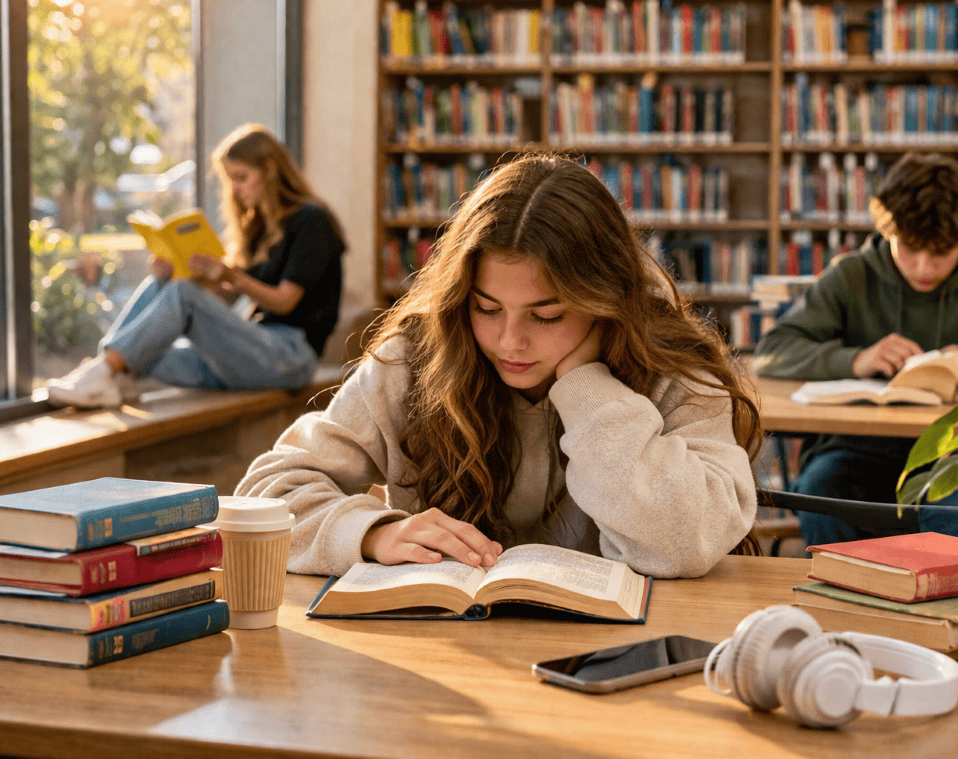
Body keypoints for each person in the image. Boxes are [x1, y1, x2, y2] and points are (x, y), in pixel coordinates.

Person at [234, 153, 761, 579]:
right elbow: (266, 493)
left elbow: (688, 541)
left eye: (547, 314)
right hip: (450, 657)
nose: (510, 341)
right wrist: (372, 533)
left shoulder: (673, 371)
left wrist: (587, 388)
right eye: (486, 308)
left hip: (617, 659)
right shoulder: (422, 353)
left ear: (607, 302)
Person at [753, 152, 958, 548]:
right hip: (859, 448)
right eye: (909, 248)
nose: (924, 267)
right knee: (822, 491)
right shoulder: (852, 273)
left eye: (942, 251)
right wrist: (856, 359)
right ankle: (845, 601)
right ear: (887, 229)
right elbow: (773, 350)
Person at [46, 123, 345, 408]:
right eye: (231, 181)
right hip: (250, 355)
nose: (236, 190)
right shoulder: (260, 228)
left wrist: (232, 276)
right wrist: (190, 274)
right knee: (151, 323)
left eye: (241, 177)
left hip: (290, 357)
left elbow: (284, 302)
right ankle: (112, 376)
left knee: (180, 296)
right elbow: (227, 297)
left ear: (269, 170)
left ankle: (100, 374)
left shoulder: (311, 221)